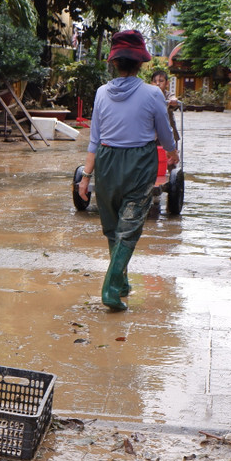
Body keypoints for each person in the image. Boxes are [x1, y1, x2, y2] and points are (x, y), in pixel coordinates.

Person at [77, 31, 178, 312]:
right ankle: (110, 289)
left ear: (115, 63)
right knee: (129, 228)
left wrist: (86, 177)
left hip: (106, 163)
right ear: (140, 63)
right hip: (139, 163)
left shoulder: (100, 93)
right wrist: (172, 153)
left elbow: (94, 139)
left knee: (113, 227)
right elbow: (165, 133)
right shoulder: (152, 93)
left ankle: (120, 284)